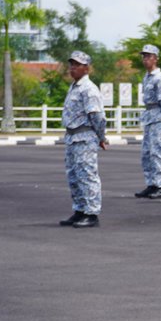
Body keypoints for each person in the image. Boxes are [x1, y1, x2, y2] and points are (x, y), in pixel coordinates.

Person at [59, 51, 109, 228]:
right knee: (74, 176)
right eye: (71, 64)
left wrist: (101, 137)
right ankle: (80, 210)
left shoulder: (89, 89)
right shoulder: (75, 86)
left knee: (87, 175)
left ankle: (91, 213)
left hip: (85, 137)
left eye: (77, 64)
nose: (72, 67)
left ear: (86, 68)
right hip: (72, 137)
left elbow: (97, 116)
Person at [135, 43, 161, 199]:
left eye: (148, 56)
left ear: (156, 59)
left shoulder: (160, 79)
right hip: (149, 116)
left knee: (159, 152)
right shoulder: (147, 77)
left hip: (158, 116)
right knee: (147, 153)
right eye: (144, 56)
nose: (145, 59)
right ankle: (152, 183)